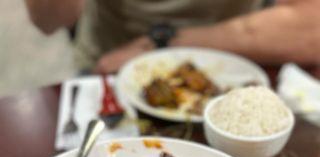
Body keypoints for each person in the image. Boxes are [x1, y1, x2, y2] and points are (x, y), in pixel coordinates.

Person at [25, 0, 320, 74]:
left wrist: (162, 42)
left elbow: (312, 28)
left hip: (235, 62)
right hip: (110, 66)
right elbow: (47, 21)